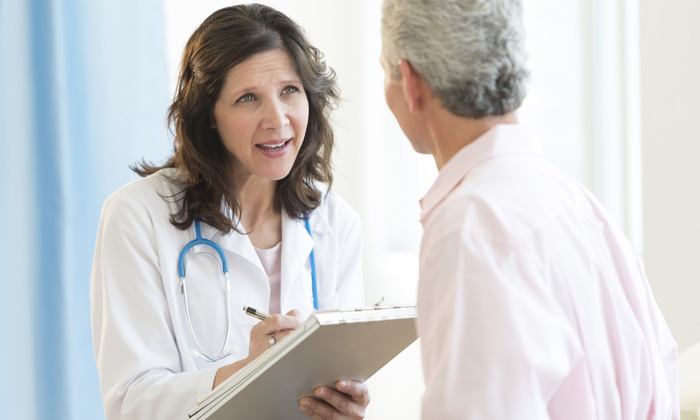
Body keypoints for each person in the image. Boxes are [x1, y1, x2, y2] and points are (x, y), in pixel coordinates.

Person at [380, 0, 679, 418]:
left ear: (410, 82)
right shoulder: (576, 202)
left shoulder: (470, 228)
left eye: (384, 69)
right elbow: (662, 372)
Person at [91, 4, 369, 419]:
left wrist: (347, 403)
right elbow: (131, 401)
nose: (278, 119)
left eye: (289, 90)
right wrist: (245, 375)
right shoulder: (138, 216)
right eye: (247, 98)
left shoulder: (335, 221)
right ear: (209, 118)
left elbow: (342, 378)